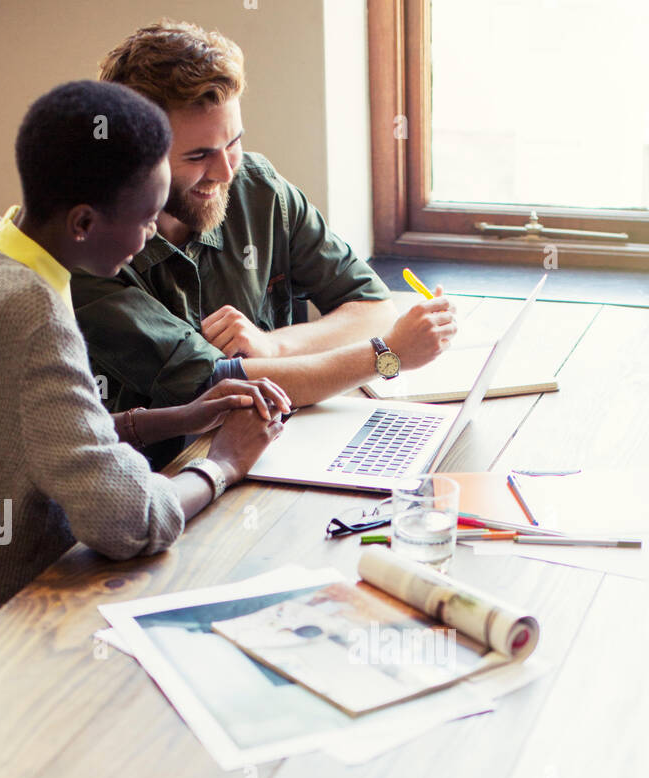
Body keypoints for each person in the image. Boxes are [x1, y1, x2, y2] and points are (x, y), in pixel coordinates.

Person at [0, 80, 290, 630]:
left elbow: (42, 433)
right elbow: (127, 521)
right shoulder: (33, 313)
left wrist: (181, 417)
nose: (152, 234)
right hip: (6, 608)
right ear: (84, 223)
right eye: (145, 218)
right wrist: (226, 464)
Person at [73, 19, 457, 467]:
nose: (224, 172)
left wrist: (275, 347)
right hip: (157, 487)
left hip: (277, 447)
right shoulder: (86, 254)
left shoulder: (259, 188)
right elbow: (221, 386)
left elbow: (372, 305)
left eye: (233, 142)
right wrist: (387, 356)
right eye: (197, 156)